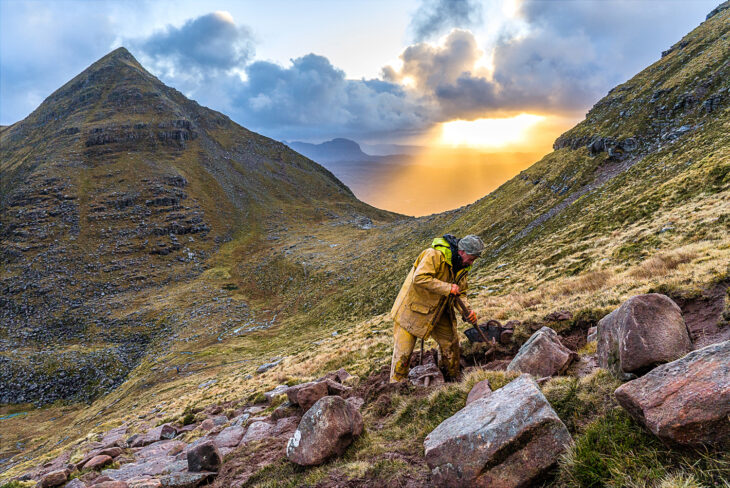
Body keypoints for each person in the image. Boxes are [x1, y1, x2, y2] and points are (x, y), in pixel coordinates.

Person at [389, 234, 485, 383]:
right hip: (411, 310)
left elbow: (461, 293)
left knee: (451, 343)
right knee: (403, 353)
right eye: (471, 258)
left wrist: (467, 311)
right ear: (462, 252)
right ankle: (396, 388)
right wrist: (447, 288)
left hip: (439, 312)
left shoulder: (463, 267)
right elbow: (420, 278)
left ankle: (452, 379)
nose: (471, 262)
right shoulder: (433, 255)